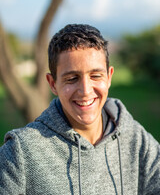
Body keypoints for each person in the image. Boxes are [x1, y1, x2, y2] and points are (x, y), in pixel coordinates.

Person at [0, 24, 160, 195]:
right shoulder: (19, 152)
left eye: (95, 76)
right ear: (53, 84)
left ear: (109, 77)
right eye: (72, 78)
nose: (85, 91)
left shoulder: (136, 138)